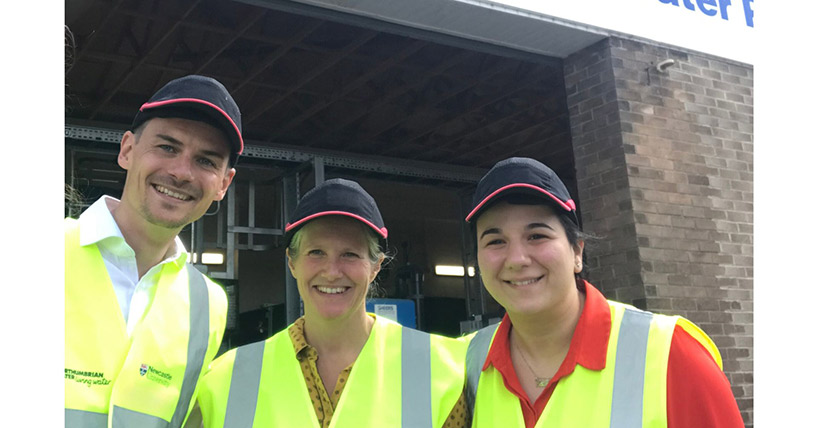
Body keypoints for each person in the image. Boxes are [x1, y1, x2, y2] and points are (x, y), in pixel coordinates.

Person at [463, 157, 743, 427]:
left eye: (537, 235)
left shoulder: (671, 354)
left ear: (577, 252)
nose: (516, 259)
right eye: (496, 241)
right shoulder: (463, 365)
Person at [194, 178, 469, 427]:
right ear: (292, 263)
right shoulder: (226, 378)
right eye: (316, 252)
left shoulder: (440, 369)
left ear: (375, 267)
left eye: (350, 254)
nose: (332, 271)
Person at [65, 75, 243, 428]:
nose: (180, 172)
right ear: (128, 150)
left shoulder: (209, 305)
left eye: (206, 161)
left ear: (224, 184)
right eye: (167, 147)